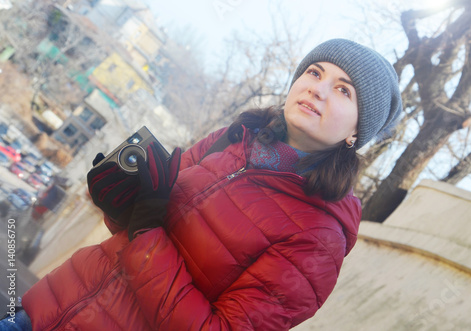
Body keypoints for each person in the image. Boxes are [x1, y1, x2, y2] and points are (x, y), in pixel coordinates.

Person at [7, 38, 401, 330]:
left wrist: (146, 232)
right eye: (315, 72)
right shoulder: (230, 138)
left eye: (343, 89)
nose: (318, 88)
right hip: (48, 307)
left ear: (355, 133)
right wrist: (121, 204)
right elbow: (135, 228)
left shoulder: (319, 238)